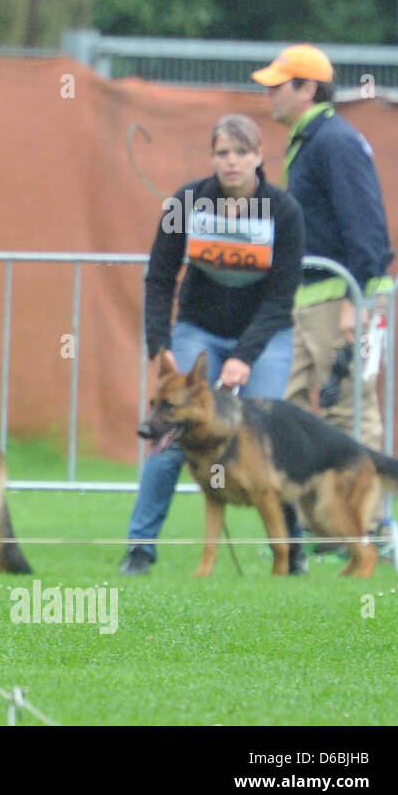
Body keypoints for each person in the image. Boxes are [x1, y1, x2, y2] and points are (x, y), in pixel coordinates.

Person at [118, 114, 305, 576]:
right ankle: (140, 548)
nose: (232, 162)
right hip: (198, 328)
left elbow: (283, 296)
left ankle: (292, 550)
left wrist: (246, 355)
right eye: (223, 152)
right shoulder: (187, 202)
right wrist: (158, 342)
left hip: (265, 335)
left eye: (242, 152)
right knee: (170, 433)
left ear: (260, 156)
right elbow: (160, 277)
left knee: (268, 443)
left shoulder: (283, 211)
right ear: (213, 157)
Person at [251, 44, 394, 549]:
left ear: (307, 89)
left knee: (348, 408)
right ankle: (314, 527)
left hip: (343, 299)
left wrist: (357, 301)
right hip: (312, 298)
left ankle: (364, 529)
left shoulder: (334, 141)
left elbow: (367, 226)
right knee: (286, 408)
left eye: (278, 84)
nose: (268, 93)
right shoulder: (312, 139)